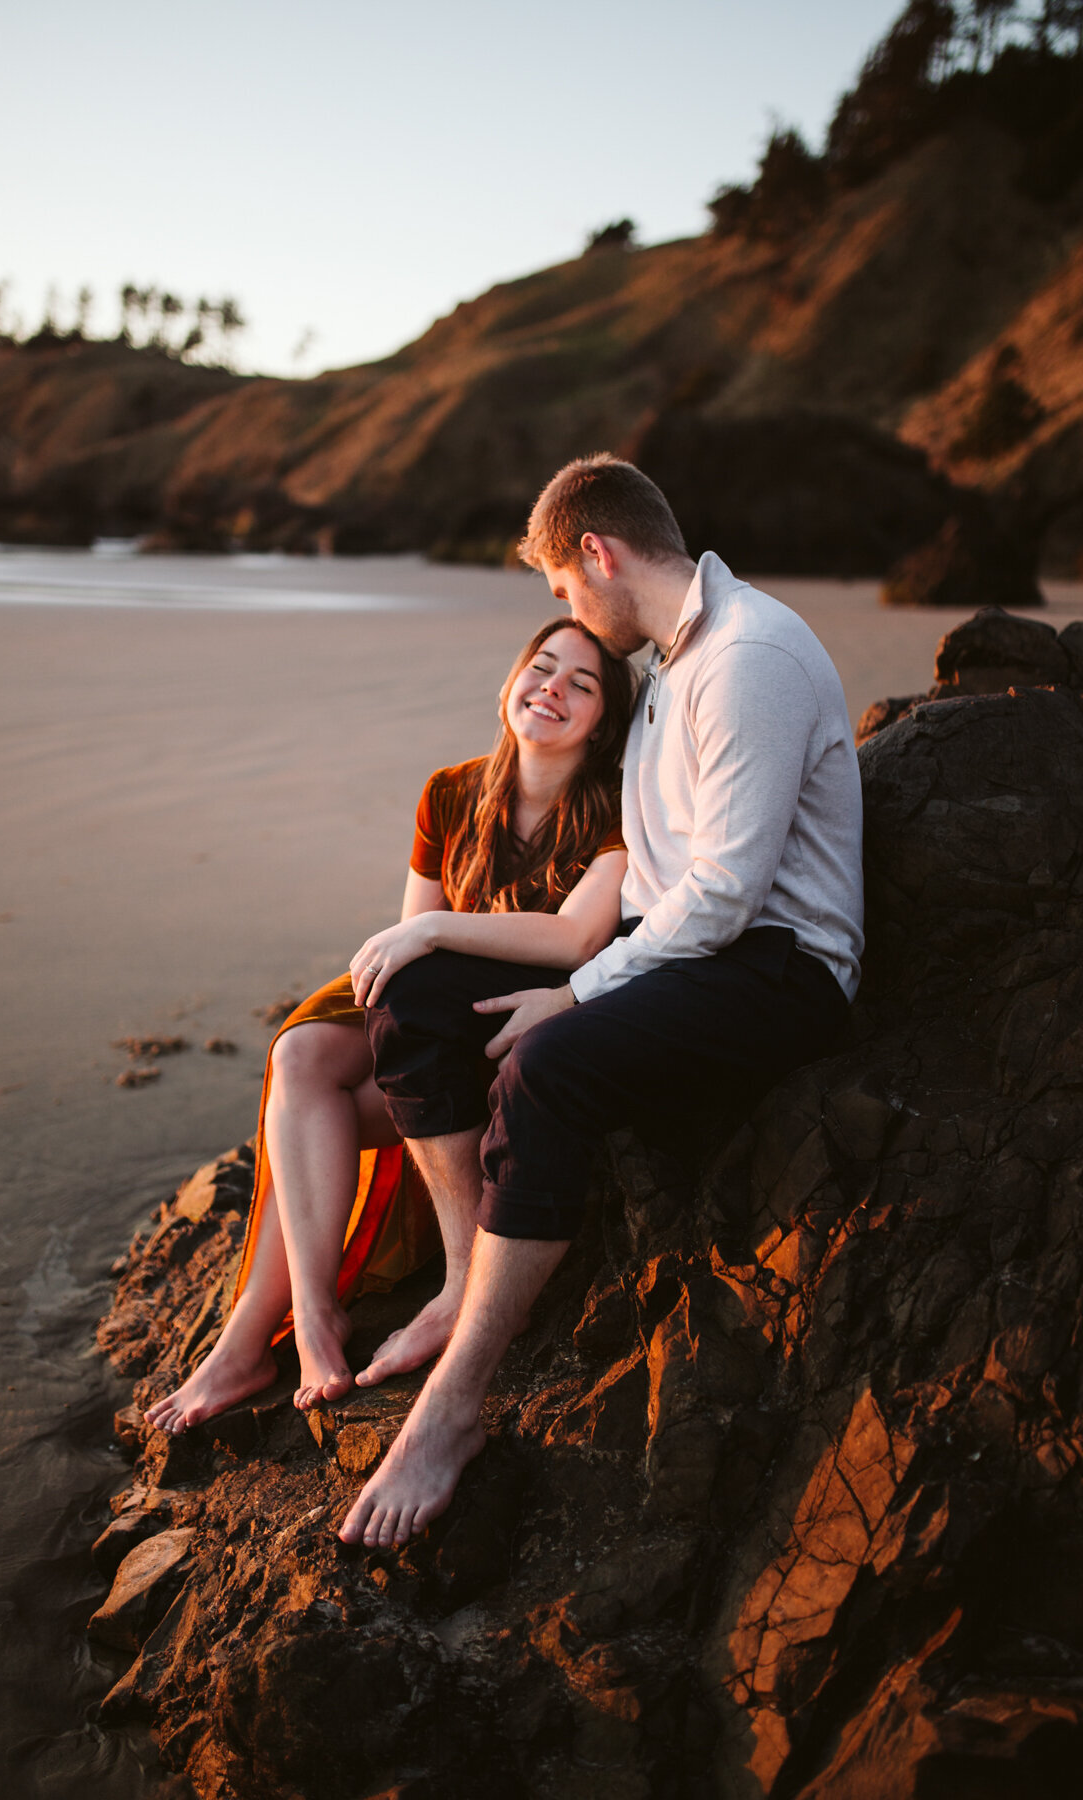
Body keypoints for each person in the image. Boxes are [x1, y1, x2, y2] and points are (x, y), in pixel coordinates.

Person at [339, 453, 866, 1550]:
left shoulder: (749, 658)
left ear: (599, 553)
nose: (569, 618)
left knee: (546, 1069)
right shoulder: (674, 662)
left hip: (781, 969)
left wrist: (577, 990)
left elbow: (725, 900)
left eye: (567, 593)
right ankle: (461, 1273)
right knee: (421, 994)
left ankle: (454, 1410)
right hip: (680, 950)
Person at [144, 617, 634, 1433]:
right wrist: (423, 937)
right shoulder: (449, 791)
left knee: (321, 1101)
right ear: (510, 680)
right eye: (541, 668)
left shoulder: (615, 809)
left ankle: (258, 1338)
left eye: (581, 684)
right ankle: (304, 1317)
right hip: (427, 1024)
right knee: (301, 1053)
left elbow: (575, 937)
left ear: (603, 720)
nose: (552, 687)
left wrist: (437, 929)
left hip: (515, 1028)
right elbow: (399, 976)